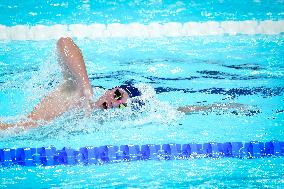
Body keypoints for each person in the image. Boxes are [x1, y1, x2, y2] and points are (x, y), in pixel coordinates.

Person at [0, 37, 244, 130]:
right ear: (110, 89)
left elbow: (174, 111)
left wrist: (219, 107)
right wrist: (86, 87)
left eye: (121, 105)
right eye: (116, 95)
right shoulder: (77, 94)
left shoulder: (102, 122)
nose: (112, 103)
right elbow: (64, 42)